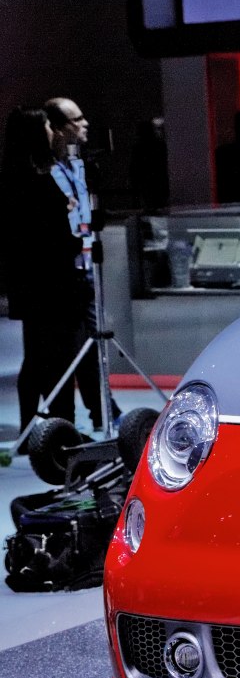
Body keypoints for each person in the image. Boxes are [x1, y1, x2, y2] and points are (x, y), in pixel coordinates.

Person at [0, 107, 93, 442]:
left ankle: (31, 429)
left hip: (29, 285)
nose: (52, 132)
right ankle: (61, 431)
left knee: (35, 357)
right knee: (58, 359)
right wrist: (71, 231)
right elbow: (55, 238)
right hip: (52, 284)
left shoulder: (11, 178)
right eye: (46, 127)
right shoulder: (37, 182)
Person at [43, 96, 118, 433]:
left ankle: (103, 410)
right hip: (62, 270)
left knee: (92, 341)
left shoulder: (79, 165)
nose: (85, 124)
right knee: (71, 347)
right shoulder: (46, 173)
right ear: (59, 129)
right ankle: (68, 420)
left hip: (86, 266)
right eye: (77, 119)